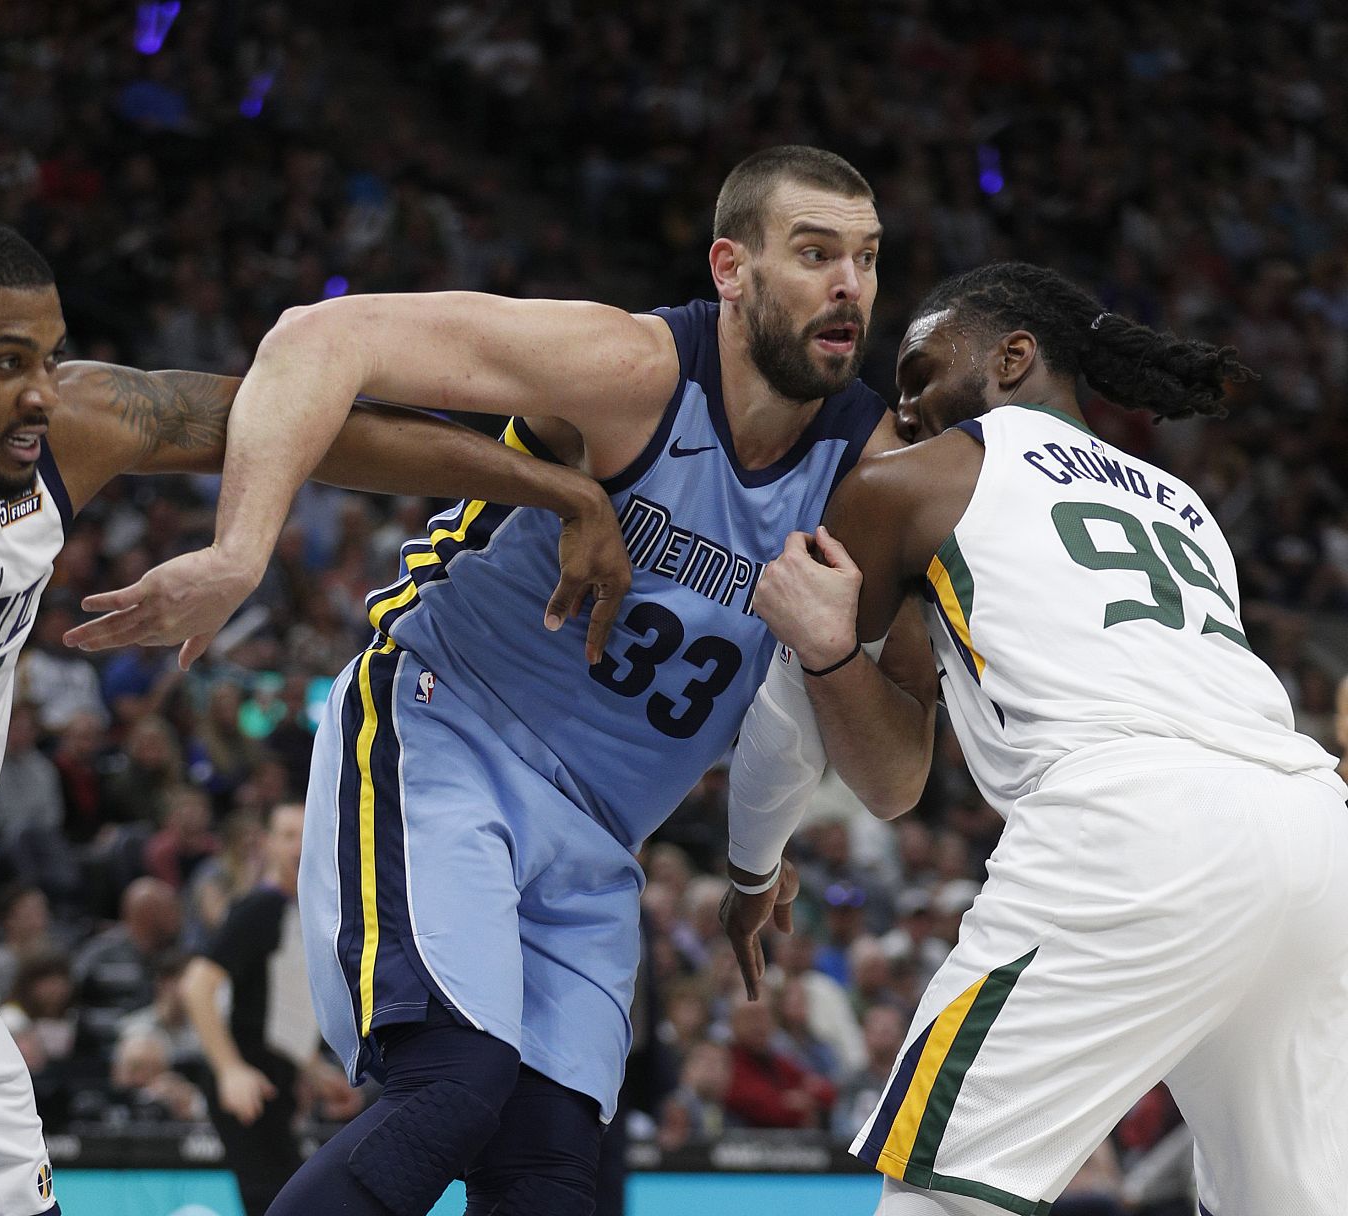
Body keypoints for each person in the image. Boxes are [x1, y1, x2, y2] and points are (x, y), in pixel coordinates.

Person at [73, 145, 940, 1216]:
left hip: (600, 836)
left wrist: (824, 674)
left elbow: (898, 777)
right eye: (813, 254)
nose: (847, 284)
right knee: (450, 1087)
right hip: (450, 727)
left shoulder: (873, 474)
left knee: (546, 1179)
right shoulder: (629, 369)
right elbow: (318, 336)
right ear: (730, 267)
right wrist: (240, 552)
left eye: (864, 257)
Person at [0, 216, 632, 1216]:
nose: (41, 390)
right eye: (6, 364)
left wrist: (551, 488)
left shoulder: (64, 432)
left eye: (49, 355)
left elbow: (302, 421)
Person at [736, 261, 1348, 1215]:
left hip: (1132, 819)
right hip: (1314, 828)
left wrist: (749, 868)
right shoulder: (1184, 504)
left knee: (943, 1185)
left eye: (920, 374)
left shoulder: (907, 482)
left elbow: (794, 731)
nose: (904, 409)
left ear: (1012, 355)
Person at [181, 803, 349, 1216]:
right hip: (246, 1082)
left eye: (306, 834)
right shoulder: (259, 908)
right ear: (269, 845)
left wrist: (311, 1067)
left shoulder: (302, 911)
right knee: (277, 1202)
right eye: (288, 835)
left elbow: (280, 1007)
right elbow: (196, 987)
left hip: (275, 1081)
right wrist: (230, 1070)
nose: (298, 845)